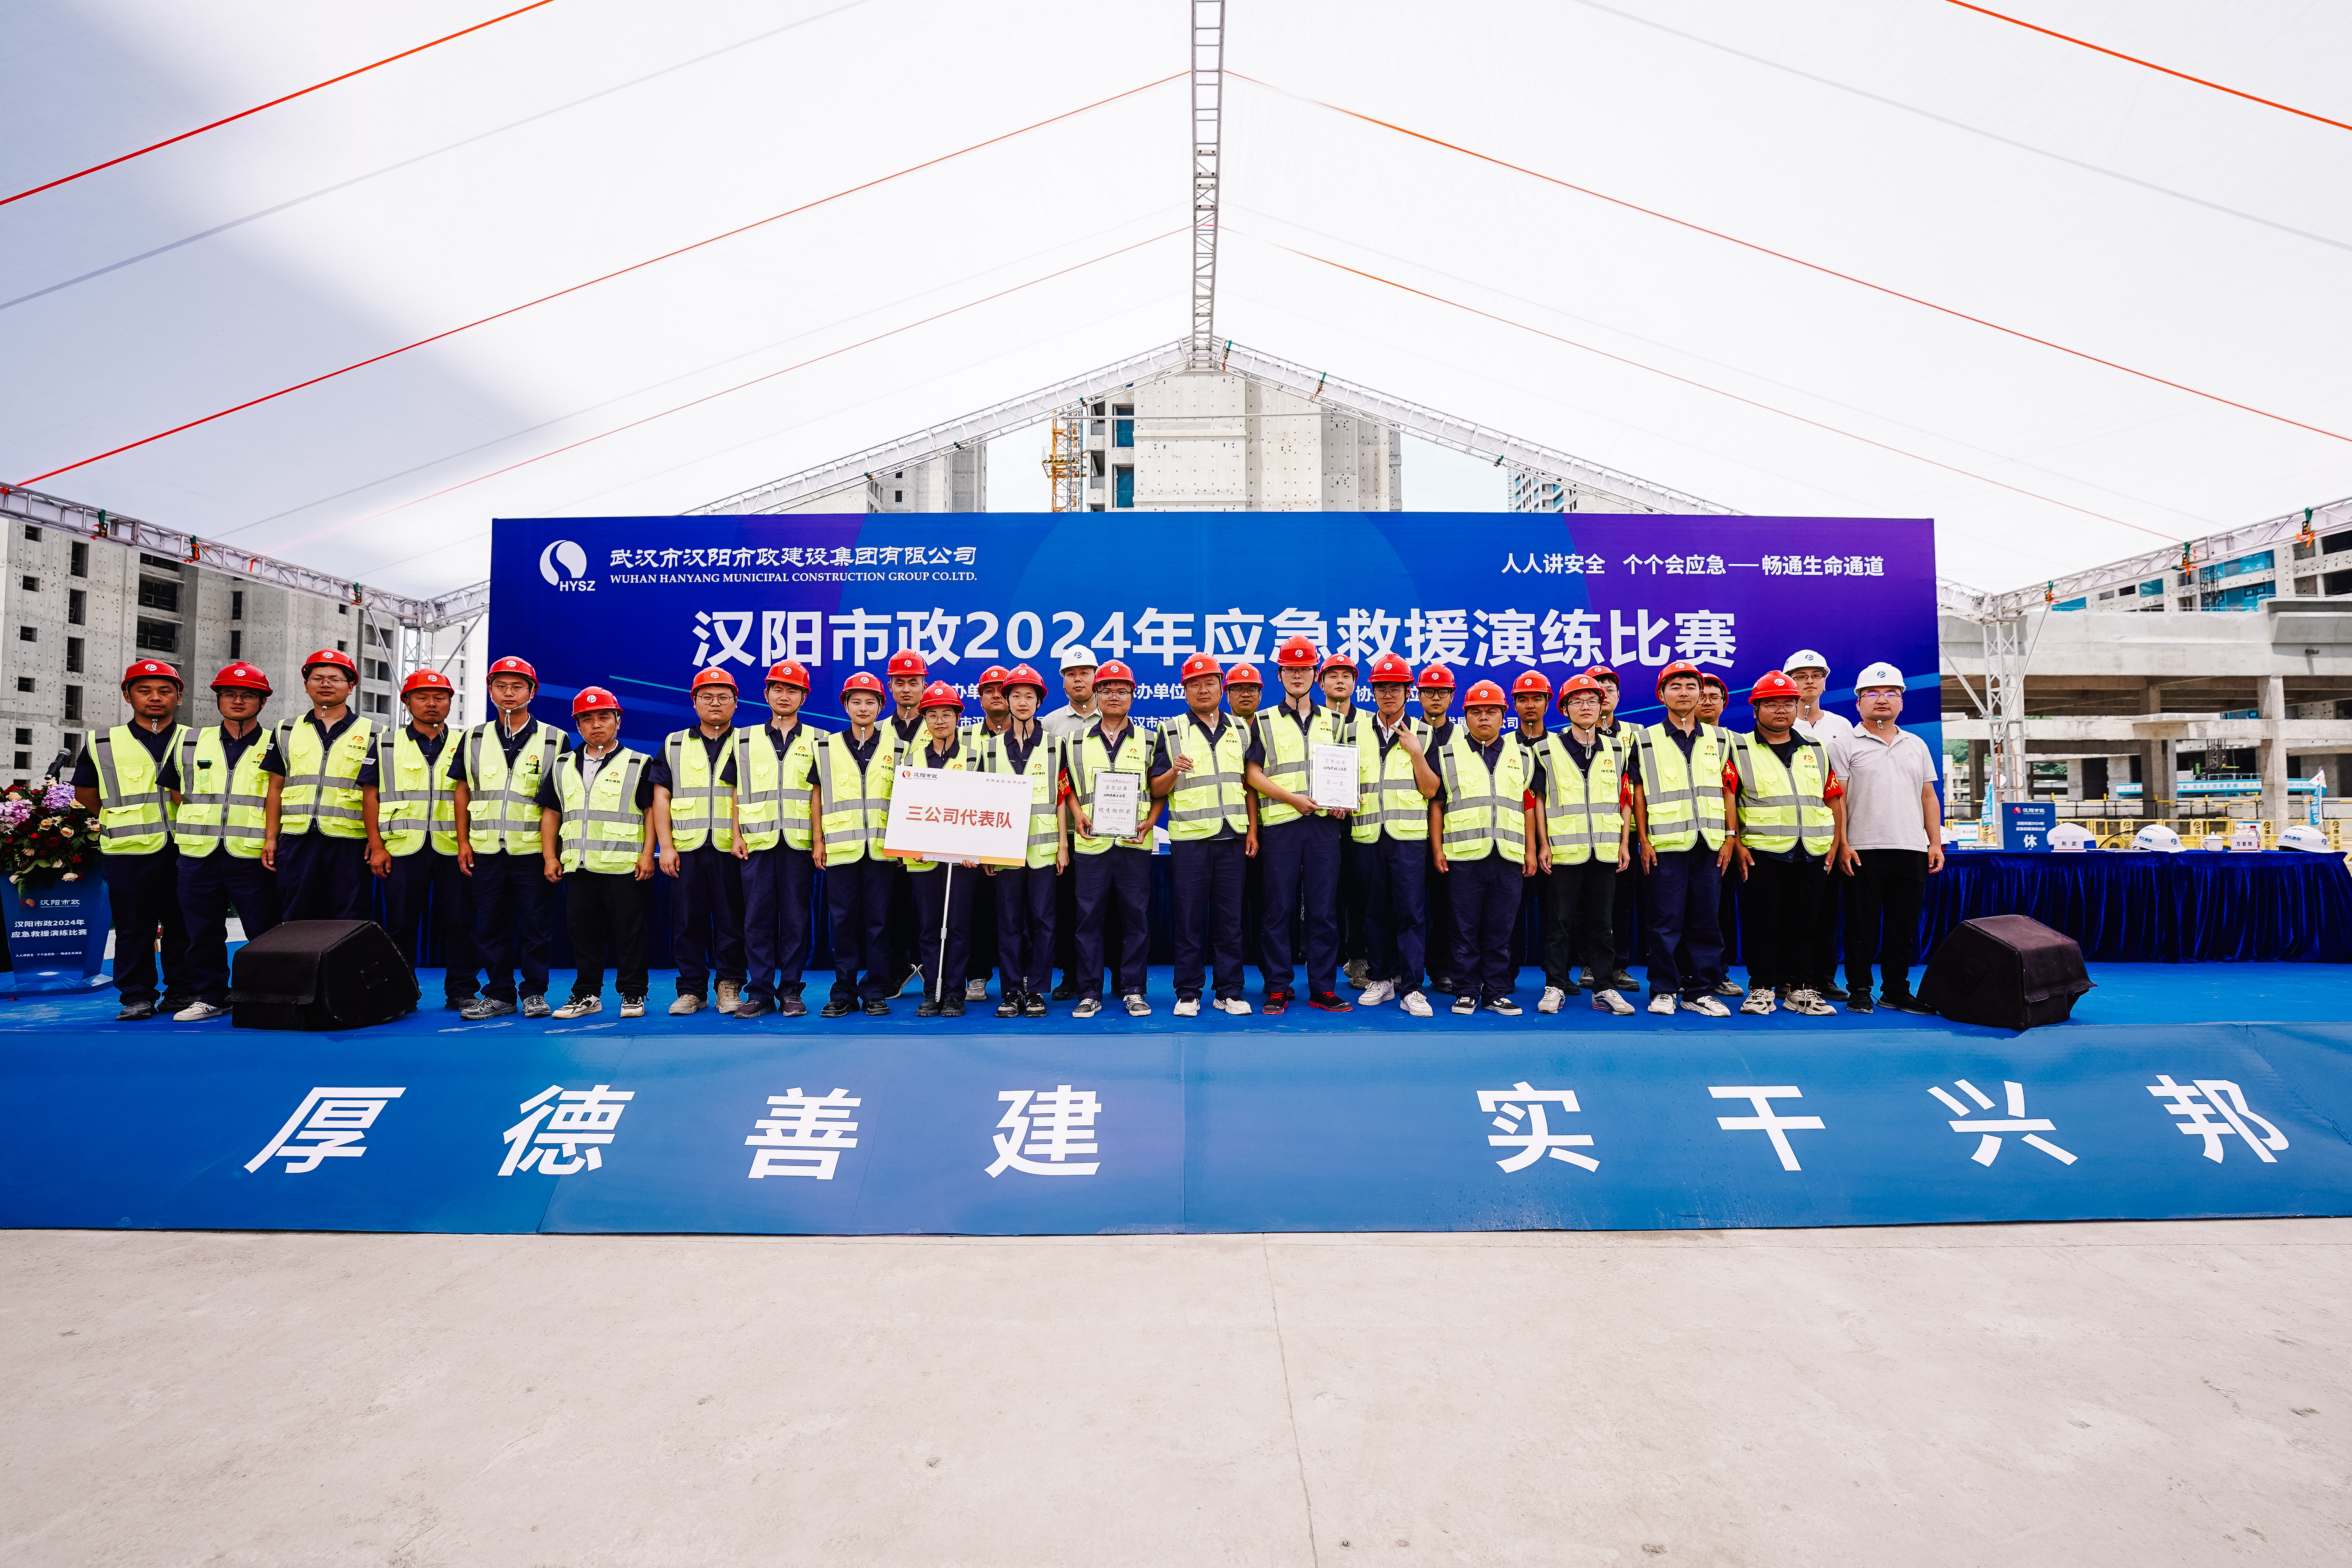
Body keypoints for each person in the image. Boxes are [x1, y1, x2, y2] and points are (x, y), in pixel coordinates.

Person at [451, 655, 569, 1020]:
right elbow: (462, 791)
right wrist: (463, 843)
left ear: (532, 692)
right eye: (500, 686)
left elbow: (561, 799)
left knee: (536, 928)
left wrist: (552, 854)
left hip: (532, 851)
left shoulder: (555, 739)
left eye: (517, 686)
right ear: (490, 691)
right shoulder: (473, 737)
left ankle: (534, 994)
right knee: (491, 928)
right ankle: (500, 995)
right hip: (486, 850)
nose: (508, 693)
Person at [161, 661, 280, 1022]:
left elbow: (280, 795)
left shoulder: (277, 743)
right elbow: (176, 791)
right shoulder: (190, 741)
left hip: (252, 854)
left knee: (264, 930)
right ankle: (211, 996)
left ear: (263, 702)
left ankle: (265, 995)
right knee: (201, 932)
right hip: (198, 854)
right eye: (230, 694)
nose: (238, 701)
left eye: (248, 695)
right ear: (218, 698)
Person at [1245, 635, 1356, 1014]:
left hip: (1324, 828)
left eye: (1305, 669)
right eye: (1290, 669)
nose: (1298, 675)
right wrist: (1292, 799)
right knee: (1278, 909)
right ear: (1280, 675)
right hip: (1281, 826)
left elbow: (1346, 770)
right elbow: (1253, 775)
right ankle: (1278, 986)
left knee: (1324, 910)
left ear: (1316, 675)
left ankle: (1323, 987)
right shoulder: (1263, 721)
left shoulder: (1336, 721)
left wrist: (1344, 801)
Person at [1721, 671, 1842, 1018]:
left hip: (1812, 851)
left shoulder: (1815, 748)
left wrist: (1836, 843)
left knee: (1806, 925)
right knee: (1763, 923)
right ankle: (1762, 989)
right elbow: (1729, 797)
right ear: (1756, 709)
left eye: (1788, 704)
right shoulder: (1739, 747)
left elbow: (1833, 797)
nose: (1781, 710)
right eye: (1771, 704)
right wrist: (1736, 842)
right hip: (1763, 851)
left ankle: (1801, 991)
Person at [1830, 662, 1944, 1014]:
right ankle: (1860, 989)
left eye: (1891, 693)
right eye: (1873, 694)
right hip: (1863, 849)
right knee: (1861, 926)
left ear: (1902, 702)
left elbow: (1928, 796)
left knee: (1903, 927)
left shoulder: (1916, 744)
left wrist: (1934, 843)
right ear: (1858, 702)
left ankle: (1896, 990)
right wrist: (1843, 843)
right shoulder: (1843, 745)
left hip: (1911, 848)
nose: (1883, 699)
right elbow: (1837, 799)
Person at [363, 668, 477, 1012]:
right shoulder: (385, 743)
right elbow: (370, 796)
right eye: (422, 697)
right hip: (402, 847)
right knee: (400, 924)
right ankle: (402, 992)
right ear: (407, 702)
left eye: (439, 697)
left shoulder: (467, 743)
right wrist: (377, 845)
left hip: (453, 848)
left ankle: (462, 991)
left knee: (461, 922)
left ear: (450, 702)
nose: (431, 703)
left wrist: (467, 842)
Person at [1628, 659, 1737, 1018]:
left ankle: (1701, 991)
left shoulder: (1721, 739)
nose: (1685, 693)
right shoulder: (1644, 739)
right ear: (1662, 695)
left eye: (1692, 687)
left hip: (1709, 844)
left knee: (1706, 920)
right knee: (1665, 921)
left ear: (1701, 694)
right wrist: (1644, 840)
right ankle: (1664, 989)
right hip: (1665, 845)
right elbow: (1638, 792)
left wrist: (1730, 836)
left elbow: (1728, 789)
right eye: (1675, 687)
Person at [1151, 652, 1256, 1017]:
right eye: (1194, 684)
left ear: (1221, 687)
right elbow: (1156, 788)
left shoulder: (1241, 729)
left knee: (1231, 922)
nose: (1203, 690)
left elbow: (1250, 783)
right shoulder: (1171, 730)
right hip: (1190, 841)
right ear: (1184, 690)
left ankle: (1229, 991)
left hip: (1233, 838)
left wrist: (1252, 830)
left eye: (1210, 683)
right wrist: (1174, 772)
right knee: (1189, 920)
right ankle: (1188, 993)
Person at [539, 687, 654, 1019]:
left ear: (618, 721)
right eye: (587, 719)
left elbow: (651, 812)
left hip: (624, 865)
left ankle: (633, 993)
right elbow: (552, 813)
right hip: (578, 865)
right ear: (578, 725)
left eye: (604, 717)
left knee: (630, 933)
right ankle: (587, 995)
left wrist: (648, 855)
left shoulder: (639, 763)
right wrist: (550, 856)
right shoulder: (562, 765)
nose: (597, 725)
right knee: (583, 934)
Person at [1428, 680, 1538, 1015]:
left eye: (1492, 711)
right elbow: (1437, 805)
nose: (1484, 717)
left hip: (1508, 856)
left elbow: (1527, 806)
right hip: (1463, 857)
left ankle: (1496, 993)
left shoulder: (1523, 755)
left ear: (1504, 715)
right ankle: (1465, 991)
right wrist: (1437, 849)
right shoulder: (1447, 754)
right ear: (1466, 716)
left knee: (1500, 930)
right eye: (1476, 712)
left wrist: (1530, 851)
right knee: (1464, 929)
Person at [1530, 673, 1637, 1016]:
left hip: (1605, 851)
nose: (1586, 707)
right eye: (1577, 702)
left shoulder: (1619, 749)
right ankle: (1555, 986)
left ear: (1602, 706)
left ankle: (1604, 988)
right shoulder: (1545, 750)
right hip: (1564, 852)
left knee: (1602, 924)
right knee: (1559, 924)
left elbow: (1625, 800)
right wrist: (1543, 845)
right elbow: (1539, 801)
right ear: (1564, 709)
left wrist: (1624, 843)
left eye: (1593, 700)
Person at [1063, 659, 1158, 1018]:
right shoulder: (1074, 740)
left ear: (1133, 696)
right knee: (1088, 920)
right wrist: (1077, 813)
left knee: (1136, 919)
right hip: (1092, 843)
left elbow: (1160, 788)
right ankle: (1089, 992)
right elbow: (1065, 784)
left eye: (1122, 691)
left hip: (1135, 843)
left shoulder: (1150, 739)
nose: (1114, 696)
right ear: (1096, 695)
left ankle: (1134, 990)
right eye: (1106, 690)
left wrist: (1151, 821)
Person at [1348, 653, 1440, 1016]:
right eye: (1382, 689)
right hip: (1368, 836)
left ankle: (1412, 988)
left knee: (1411, 914)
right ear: (1373, 693)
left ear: (1408, 692)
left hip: (1408, 839)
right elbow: (1340, 780)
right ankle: (1382, 979)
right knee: (1373, 913)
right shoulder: (1353, 731)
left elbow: (1432, 790)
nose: (1388, 695)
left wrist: (1416, 754)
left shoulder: (1425, 733)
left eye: (1396, 688)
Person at [651, 666, 746, 1017]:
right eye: (707, 697)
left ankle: (729, 985)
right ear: (694, 702)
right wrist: (666, 847)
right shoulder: (674, 743)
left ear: (735, 702)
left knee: (731, 921)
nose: (715, 703)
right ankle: (692, 990)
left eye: (723, 697)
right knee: (688, 922)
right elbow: (661, 796)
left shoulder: (747, 742)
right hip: (686, 848)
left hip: (731, 848)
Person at [731, 659, 822, 1019]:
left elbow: (819, 794)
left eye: (793, 691)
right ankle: (760, 992)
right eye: (778, 690)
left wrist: (819, 841)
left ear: (804, 697)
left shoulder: (819, 740)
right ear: (766, 694)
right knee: (757, 919)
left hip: (798, 844)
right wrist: (736, 834)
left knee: (796, 919)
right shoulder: (743, 738)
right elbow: (734, 790)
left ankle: (791, 991)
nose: (785, 696)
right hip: (757, 842)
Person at [260, 649, 378, 922]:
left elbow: (376, 794)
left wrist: (376, 842)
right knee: (297, 914)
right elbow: (275, 788)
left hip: (350, 842)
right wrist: (271, 838)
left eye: (335, 679)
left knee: (349, 916)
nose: (326, 684)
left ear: (351, 687)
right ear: (306, 686)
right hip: (297, 840)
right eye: (318, 679)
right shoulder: (286, 730)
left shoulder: (375, 733)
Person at [978, 663, 1066, 1018]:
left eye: (1030, 696)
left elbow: (1062, 797)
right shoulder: (990, 748)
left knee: (1044, 921)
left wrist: (1063, 846)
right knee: (1009, 923)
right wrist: (985, 849)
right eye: (1016, 696)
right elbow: (983, 800)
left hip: (1044, 849)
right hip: (1005, 850)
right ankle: (1012, 990)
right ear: (1008, 700)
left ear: (1039, 701)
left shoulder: (1055, 745)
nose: (1023, 702)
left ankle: (1037, 991)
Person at [812, 670, 901, 1016]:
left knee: (879, 923)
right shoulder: (826, 747)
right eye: (856, 702)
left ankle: (876, 990)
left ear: (881, 706)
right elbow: (817, 795)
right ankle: (844, 992)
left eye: (870, 702)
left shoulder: (898, 748)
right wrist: (818, 841)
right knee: (843, 923)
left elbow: (906, 799)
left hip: (882, 850)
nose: (863, 708)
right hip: (840, 849)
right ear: (846, 706)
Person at [904, 681, 984, 1018]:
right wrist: (909, 844)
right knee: (929, 927)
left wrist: (975, 850)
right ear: (924, 719)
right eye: (933, 715)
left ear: (958, 718)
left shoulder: (974, 757)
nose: (940, 721)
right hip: (923, 857)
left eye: (947, 714)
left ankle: (954, 993)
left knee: (959, 926)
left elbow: (984, 806)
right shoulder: (911, 759)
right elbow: (904, 807)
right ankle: (932, 993)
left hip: (961, 859)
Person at [1784, 649, 1853, 1001]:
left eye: (1816, 675)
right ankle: (1786, 978)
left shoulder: (1842, 727)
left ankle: (1823, 978)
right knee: (1787, 912)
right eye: (1800, 676)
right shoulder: (1778, 721)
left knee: (1824, 911)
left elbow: (1843, 788)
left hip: (1828, 833)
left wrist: (1841, 838)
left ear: (1825, 682)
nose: (1809, 682)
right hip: (1785, 835)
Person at [1040, 646, 1100, 1001]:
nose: (1078, 679)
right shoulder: (1050, 724)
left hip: (1108, 833)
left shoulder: (1115, 715)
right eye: (1071, 674)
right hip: (1065, 834)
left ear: (1096, 677)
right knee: (1067, 908)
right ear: (1063, 681)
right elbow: (1055, 779)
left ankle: (1116, 977)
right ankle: (1071, 975)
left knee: (1105, 909)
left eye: (1084, 673)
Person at [1586, 664, 1641, 997]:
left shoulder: (1636, 734)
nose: (1603, 694)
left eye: (1609, 689)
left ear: (1618, 696)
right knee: (1586, 905)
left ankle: (1618, 966)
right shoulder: (1571, 735)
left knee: (1621, 903)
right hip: (1583, 834)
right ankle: (1589, 965)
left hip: (1625, 833)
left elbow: (1637, 786)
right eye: (1596, 690)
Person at [963, 665, 1011, 1002]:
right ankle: (977, 976)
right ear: (979, 699)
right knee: (977, 911)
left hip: (1020, 839)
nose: (996, 696)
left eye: (1001, 690)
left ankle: (1020, 977)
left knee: (1018, 914)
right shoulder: (964, 737)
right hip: (976, 838)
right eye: (988, 691)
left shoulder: (1034, 735)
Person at [1410, 664, 1457, 995]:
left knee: (1446, 907)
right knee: (1406, 908)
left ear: (1452, 697)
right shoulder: (1407, 731)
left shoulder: (1464, 738)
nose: (1436, 697)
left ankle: (1442, 969)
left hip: (1451, 835)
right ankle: (1403, 970)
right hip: (1409, 832)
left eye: (1442, 692)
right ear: (1419, 696)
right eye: (1429, 691)